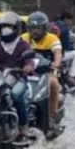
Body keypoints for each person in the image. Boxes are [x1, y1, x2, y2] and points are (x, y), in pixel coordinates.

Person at [0, 11, 37, 141]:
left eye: (8, 27)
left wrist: (28, 67)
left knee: (16, 95)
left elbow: (29, 60)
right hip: (0, 78)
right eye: (3, 27)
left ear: (16, 28)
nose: (5, 30)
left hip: (19, 78)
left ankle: (22, 127)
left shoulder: (23, 44)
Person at [20, 11, 63, 139]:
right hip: (28, 72)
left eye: (38, 28)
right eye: (32, 28)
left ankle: (51, 115)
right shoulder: (23, 38)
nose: (35, 31)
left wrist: (57, 62)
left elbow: (57, 53)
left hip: (47, 71)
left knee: (53, 84)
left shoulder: (52, 38)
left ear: (45, 28)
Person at [54, 11, 75, 90]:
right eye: (70, 20)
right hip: (60, 55)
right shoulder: (65, 29)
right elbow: (66, 46)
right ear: (65, 19)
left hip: (50, 54)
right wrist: (74, 48)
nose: (71, 22)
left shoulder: (53, 26)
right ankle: (72, 75)